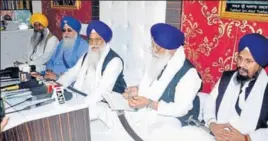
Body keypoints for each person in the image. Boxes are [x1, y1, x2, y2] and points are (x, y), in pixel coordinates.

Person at [93, 23, 202, 141]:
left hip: (172, 118)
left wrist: (149, 104)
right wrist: (136, 90)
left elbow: (181, 109)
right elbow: (154, 84)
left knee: (152, 134)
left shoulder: (189, 74)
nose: (154, 51)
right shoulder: (160, 59)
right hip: (148, 109)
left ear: (172, 50)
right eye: (153, 46)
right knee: (105, 112)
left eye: (158, 48)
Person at [174, 33, 268, 141]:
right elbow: (210, 102)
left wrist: (246, 138)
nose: (241, 65)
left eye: (248, 61)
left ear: (260, 64)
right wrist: (212, 124)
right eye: (240, 58)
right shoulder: (227, 78)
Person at [57, 20, 126, 108]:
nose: (94, 44)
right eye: (91, 40)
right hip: (81, 96)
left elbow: (102, 91)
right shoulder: (87, 55)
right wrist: (58, 86)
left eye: (98, 40)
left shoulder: (115, 61)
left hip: (104, 103)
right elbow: (71, 73)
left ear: (105, 40)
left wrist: (80, 106)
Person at [43, 16, 88, 80]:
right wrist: (49, 70)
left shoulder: (83, 46)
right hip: (51, 76)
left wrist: (57, 77)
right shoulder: (62, 42)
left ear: (76, 32)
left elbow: (80, 72)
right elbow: (52, 59)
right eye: (64, 30)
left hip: (65, 80)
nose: (66, 33)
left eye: (69, 30)